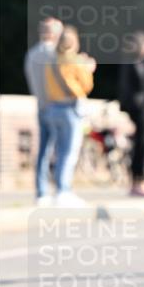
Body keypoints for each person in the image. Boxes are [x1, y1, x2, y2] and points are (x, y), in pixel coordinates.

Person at [43, 25, 96, 205]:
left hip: (53, 108)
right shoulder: (75, 61)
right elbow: (86, 86)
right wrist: (88, 68)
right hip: (70, 109)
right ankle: (63, 190)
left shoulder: (51, 61)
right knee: (69, 152)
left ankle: (58, 189)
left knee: (58, 151)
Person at [24, 16, 63, 203]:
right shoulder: (55, 55)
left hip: (41, 106)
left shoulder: (31, 54)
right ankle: (62, 190)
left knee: (43, 151)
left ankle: (41, 191)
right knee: (61, 150)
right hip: (57, 106)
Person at [118, 31, 144, 196]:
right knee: (141, 145)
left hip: (137, 107)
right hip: (139, 108)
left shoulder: (131, 62)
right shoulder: (135, 63)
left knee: (141, 144)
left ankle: (138, 179)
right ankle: (139, 180)